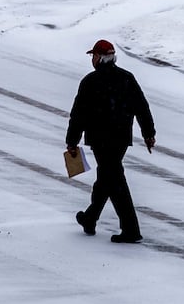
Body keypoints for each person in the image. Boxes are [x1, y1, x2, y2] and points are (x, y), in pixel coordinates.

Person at [65, 38, 157, 244]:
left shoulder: (90, 82)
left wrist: (72, 141)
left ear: (99, 58)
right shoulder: (126, 78)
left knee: (114, 180)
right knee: (108, 178)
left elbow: (78, 114)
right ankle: (90, 218)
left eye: (94, 56)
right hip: (121, 139)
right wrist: (148, 133)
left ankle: (131, 229)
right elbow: (142, 107)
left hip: (100, 140)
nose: (92, 59)